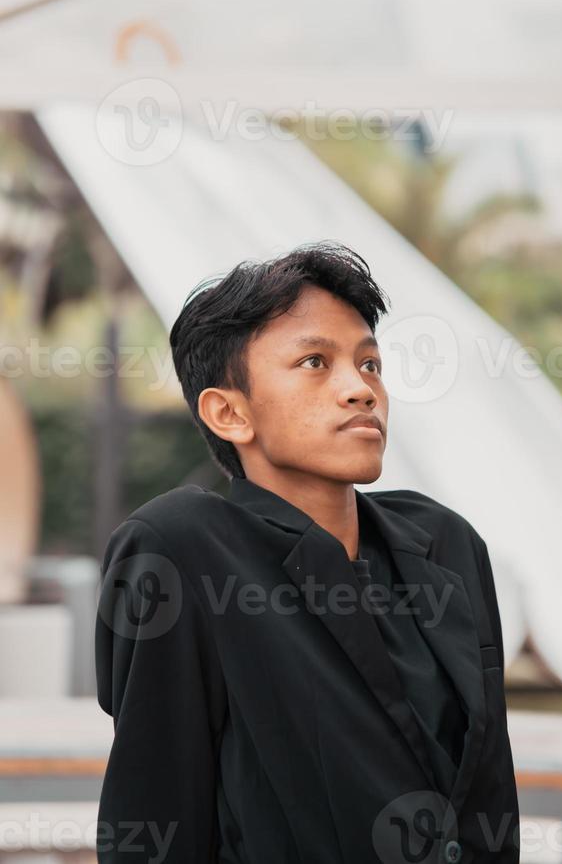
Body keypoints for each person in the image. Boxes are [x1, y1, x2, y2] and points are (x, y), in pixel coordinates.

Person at [95, 240, 520, 863]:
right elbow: (155, 817)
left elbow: (489, 795)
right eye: (315, 362)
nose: (360, 389)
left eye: (370, 364)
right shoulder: (184, 548)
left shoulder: (445, 543)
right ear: (229, 413)